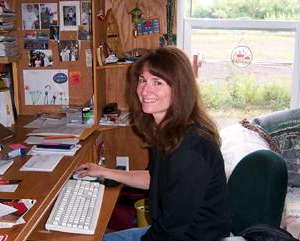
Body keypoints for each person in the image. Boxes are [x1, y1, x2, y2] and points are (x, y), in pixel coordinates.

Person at [75, 46, 231, 241]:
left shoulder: (191, 152)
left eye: (157, 82)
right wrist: (104, 171)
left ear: (179, 89)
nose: (145, 90)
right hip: (175, 231)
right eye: (143, 80)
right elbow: (156, 179)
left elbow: (170, 230)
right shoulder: (167, 130)